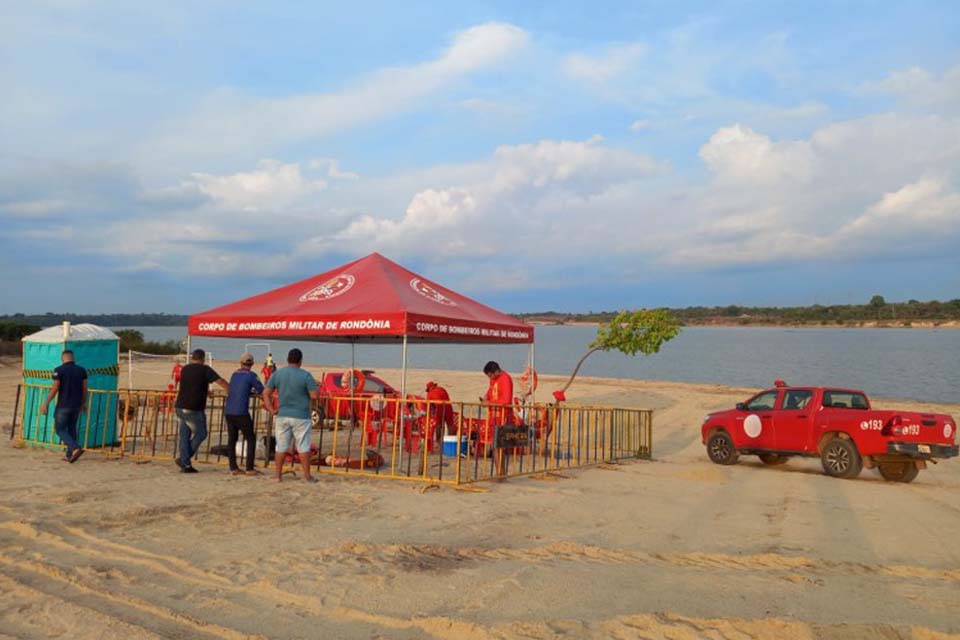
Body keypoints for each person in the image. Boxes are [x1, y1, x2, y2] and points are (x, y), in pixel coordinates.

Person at [262, 348, 319, 483]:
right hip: (301, 416)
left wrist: (271, 409)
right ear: (300, 361)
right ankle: (307, 476)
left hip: (283, 414)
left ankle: (277, 475)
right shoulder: (306, 375)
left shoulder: (278, 374)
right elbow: (314, 396)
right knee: (303, 446)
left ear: (287, 359)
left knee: (281, 446)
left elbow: (266, 393)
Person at [174, 349, 228, 473]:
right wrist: (232, 390)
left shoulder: (185, 369)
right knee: (201, 433)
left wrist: (205, 391)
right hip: (193, 408)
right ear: (203, 359)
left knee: (184, 435)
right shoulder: (205, 369)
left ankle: (186, 464)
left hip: (180, 405)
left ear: (193, 358)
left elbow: (192, 385)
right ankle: (184, 459)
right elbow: (220, 381)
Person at [40, 350, 88, 463]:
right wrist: (83, 403)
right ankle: (70, 455)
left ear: (62, 358)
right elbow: (85, 389)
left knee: (60, 429)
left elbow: (55, 388)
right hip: (76, 405)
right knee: (72, 428)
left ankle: (75, 448)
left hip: (63, 405)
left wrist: (46, 403)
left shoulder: (59, 370)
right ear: (73, 358)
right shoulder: (82, 370)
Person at [224, 352, 265, 476]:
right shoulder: (251, 376)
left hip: (229, 411)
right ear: (252, 364)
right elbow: (261, 390)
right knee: (250, 438)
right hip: (241, 411)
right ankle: (249, 468)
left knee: (232, 439)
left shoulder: (234, 374)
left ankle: (233, 467)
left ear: (240, 363)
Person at [481, 361, 514, 426]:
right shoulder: (493, 379)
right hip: (493, 416)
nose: (490, 378)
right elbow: (491, 389)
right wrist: (486, 396)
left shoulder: (505, 379)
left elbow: (506, 400)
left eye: (490, 375)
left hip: (503, 416)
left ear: (496, 372)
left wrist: (489, 403)